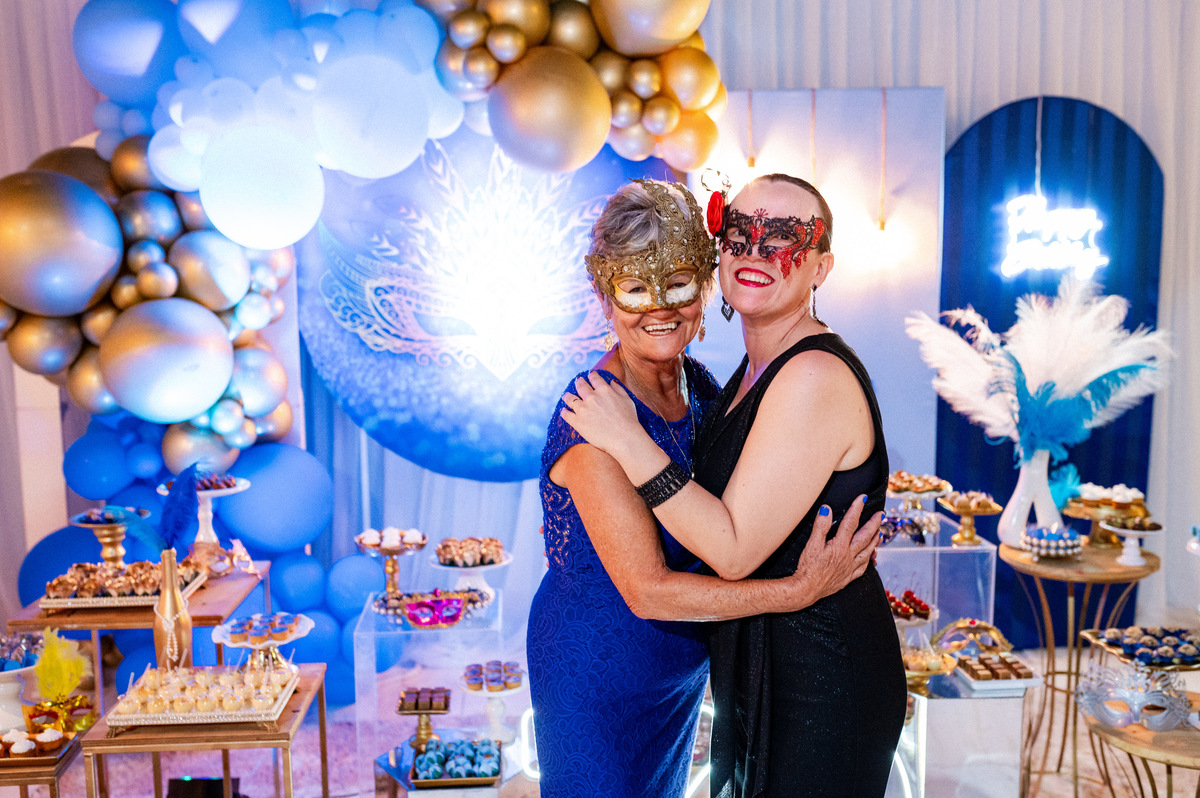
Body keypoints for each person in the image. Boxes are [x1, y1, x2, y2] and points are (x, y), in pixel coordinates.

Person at [528, 179, 883, 798]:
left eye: (677, 284)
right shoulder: (596, 417)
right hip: (600, 683)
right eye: (634, 289)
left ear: (704, 282)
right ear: (604, 295)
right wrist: (796, 591)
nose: (658, 308)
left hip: (680, 680)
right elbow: (647, 590)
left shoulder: (704, 383)